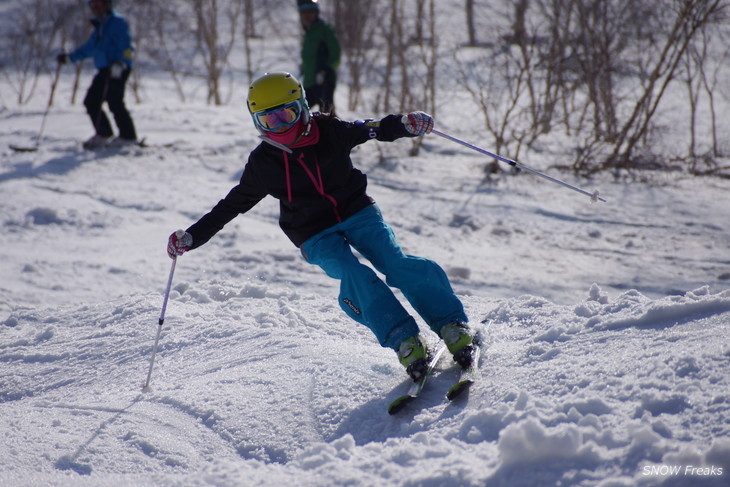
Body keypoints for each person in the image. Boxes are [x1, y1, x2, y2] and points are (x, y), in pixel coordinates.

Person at [167, 72, 474, 381]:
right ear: (257, 123)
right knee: (354, 274)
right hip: (312, 232)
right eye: (270, 121)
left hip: (357, 211)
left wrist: (403, 125)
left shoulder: (330, 130)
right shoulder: (264, 164)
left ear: (302, 107)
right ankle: (403, 338)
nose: (281, 126)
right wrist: (193, 236)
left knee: (394, 263)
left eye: (287, 115)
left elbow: (372, 129)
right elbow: (230, 206)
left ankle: (450, 322)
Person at [57, 0, 137, 149]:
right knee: (92, 101)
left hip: (118, 68)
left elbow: (127, 46)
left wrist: (121, 63)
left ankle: (128, 136)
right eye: (92, 6)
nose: (95, 9)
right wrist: (69, 58)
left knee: (114, 101)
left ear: (107, 5)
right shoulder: (99, 27)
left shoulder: (117, 22)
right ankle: (104, 134)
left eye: (98, 5)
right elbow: (89, 48)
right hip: (105, 68)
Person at [297, 0, 341, 114]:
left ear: (316, 13)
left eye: (310, 12)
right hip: (310, 81)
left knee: (327, 114)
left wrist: (325, 71)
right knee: (301, 112)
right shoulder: (309, 32)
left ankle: (339, 131)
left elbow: (335, 53)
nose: (307, 15)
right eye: (304, 12)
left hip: (324, 81)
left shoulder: (324, 29)